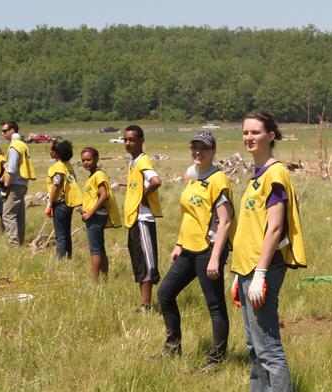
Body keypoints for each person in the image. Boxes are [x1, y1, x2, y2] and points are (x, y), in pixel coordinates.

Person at [230, 111, 306, 392]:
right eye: (245, 132)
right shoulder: (257, 175)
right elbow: (250, 229)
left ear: (271, 135)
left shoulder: (275, 174)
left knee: (269, 346)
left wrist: (259, 273)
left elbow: (275, 228)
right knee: (253, 346)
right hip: (247, 269)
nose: (249, 137)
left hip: (264, 269)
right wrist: (239, 274)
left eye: (256, 132)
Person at [156, 130, 236, 371]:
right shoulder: (194, 177)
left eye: (203, 148)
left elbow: (226, 221)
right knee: (165, 294)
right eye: (194, 147)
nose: (198, 152)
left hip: (208, 250)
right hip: (189, 248)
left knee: (214, 305)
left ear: (213, 151)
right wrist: (179, 243)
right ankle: (173, 348)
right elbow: (191, 215)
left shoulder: (218, 180)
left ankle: (216, 359)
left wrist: (214, 258)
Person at [123, 125, 163, 311]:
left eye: (132, 139)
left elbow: (156, 181)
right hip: (134, 219)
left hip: (143, 219)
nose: (128, 143)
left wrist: (144, 196)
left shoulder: (142, 161)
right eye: (125, 140)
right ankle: (144, 303)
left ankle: (146, 305)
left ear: (141, 141)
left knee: (147, 263)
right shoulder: (133, 162)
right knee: (138, 261)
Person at [80, 147, 121, 279]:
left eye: (89, 159)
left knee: (95, 250)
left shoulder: (98, 175)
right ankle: (104, 278)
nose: (86, 162)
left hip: (95, 216)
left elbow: (104, 195)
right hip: (95, 215)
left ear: (96, 159)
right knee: (100, 248)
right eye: (83, 160)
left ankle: (94, 281)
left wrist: (90, 213)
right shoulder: (93, 175)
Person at [45, 140, 83, 259]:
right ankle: (69, 257)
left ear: (56, 153)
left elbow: (56, 185)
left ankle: (60, 259)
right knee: (66, 233)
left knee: (60, 234)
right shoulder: (68, 165)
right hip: (68, 202)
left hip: (60, 203)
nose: (50, 152)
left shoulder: (58, 167)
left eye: (51, 150)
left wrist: (50, 204)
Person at [1, 121, 36, 246]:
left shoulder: (15, 146)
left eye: (5, 131)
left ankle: (14, 245)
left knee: (8, 215)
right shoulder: (22, 144)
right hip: (22, 183)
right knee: (19, 215)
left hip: (14, 183)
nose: (3, 133)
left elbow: (12, 169)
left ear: (13, 131)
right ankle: (19, 242)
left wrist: (5, 185)